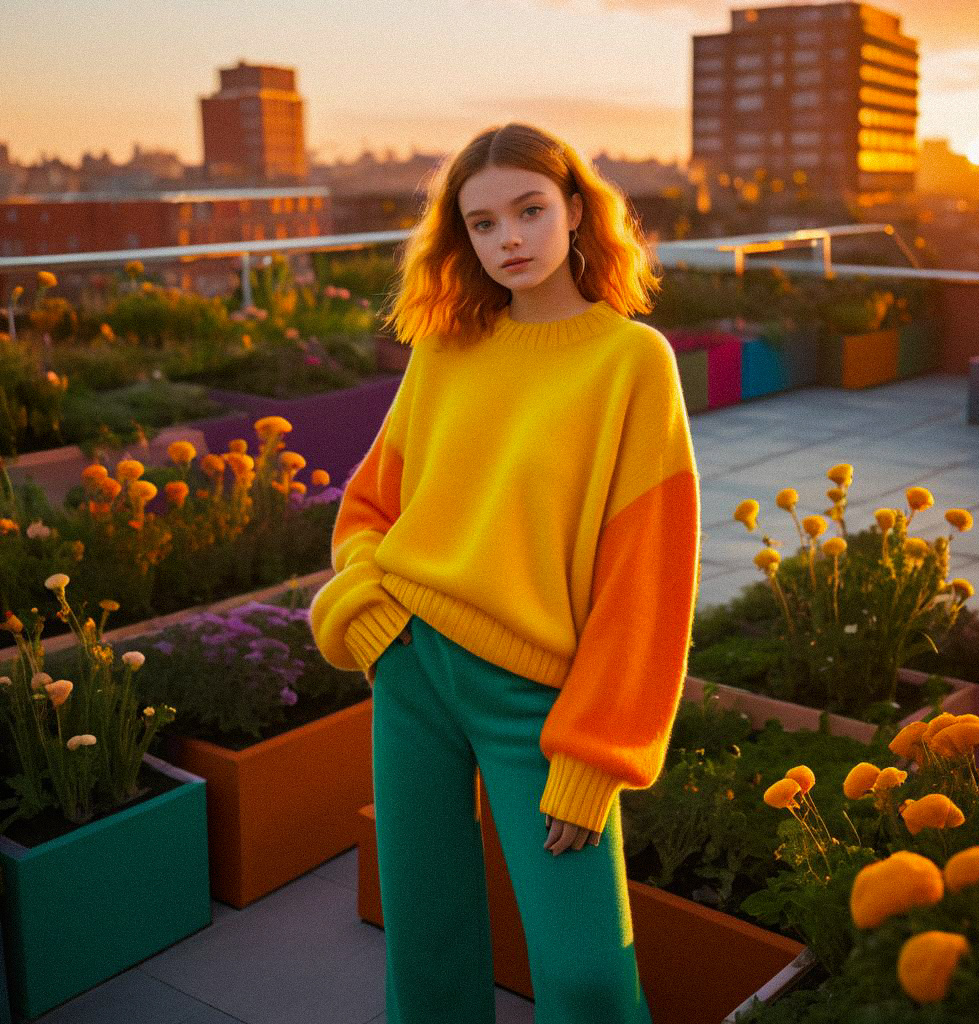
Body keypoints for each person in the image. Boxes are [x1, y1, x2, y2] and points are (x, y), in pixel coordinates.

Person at [310, 121, 701, 1024]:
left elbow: (648, 583)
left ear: (574, 209)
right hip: (411, 670)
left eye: (529, 211)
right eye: (483, 225)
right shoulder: (447, 349)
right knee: (426, 942)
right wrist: (373, 621)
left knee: (588, 974)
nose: (510, 240)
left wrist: (598, 759)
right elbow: (370, 510)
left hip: (537, 701)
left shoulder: (632, 363)